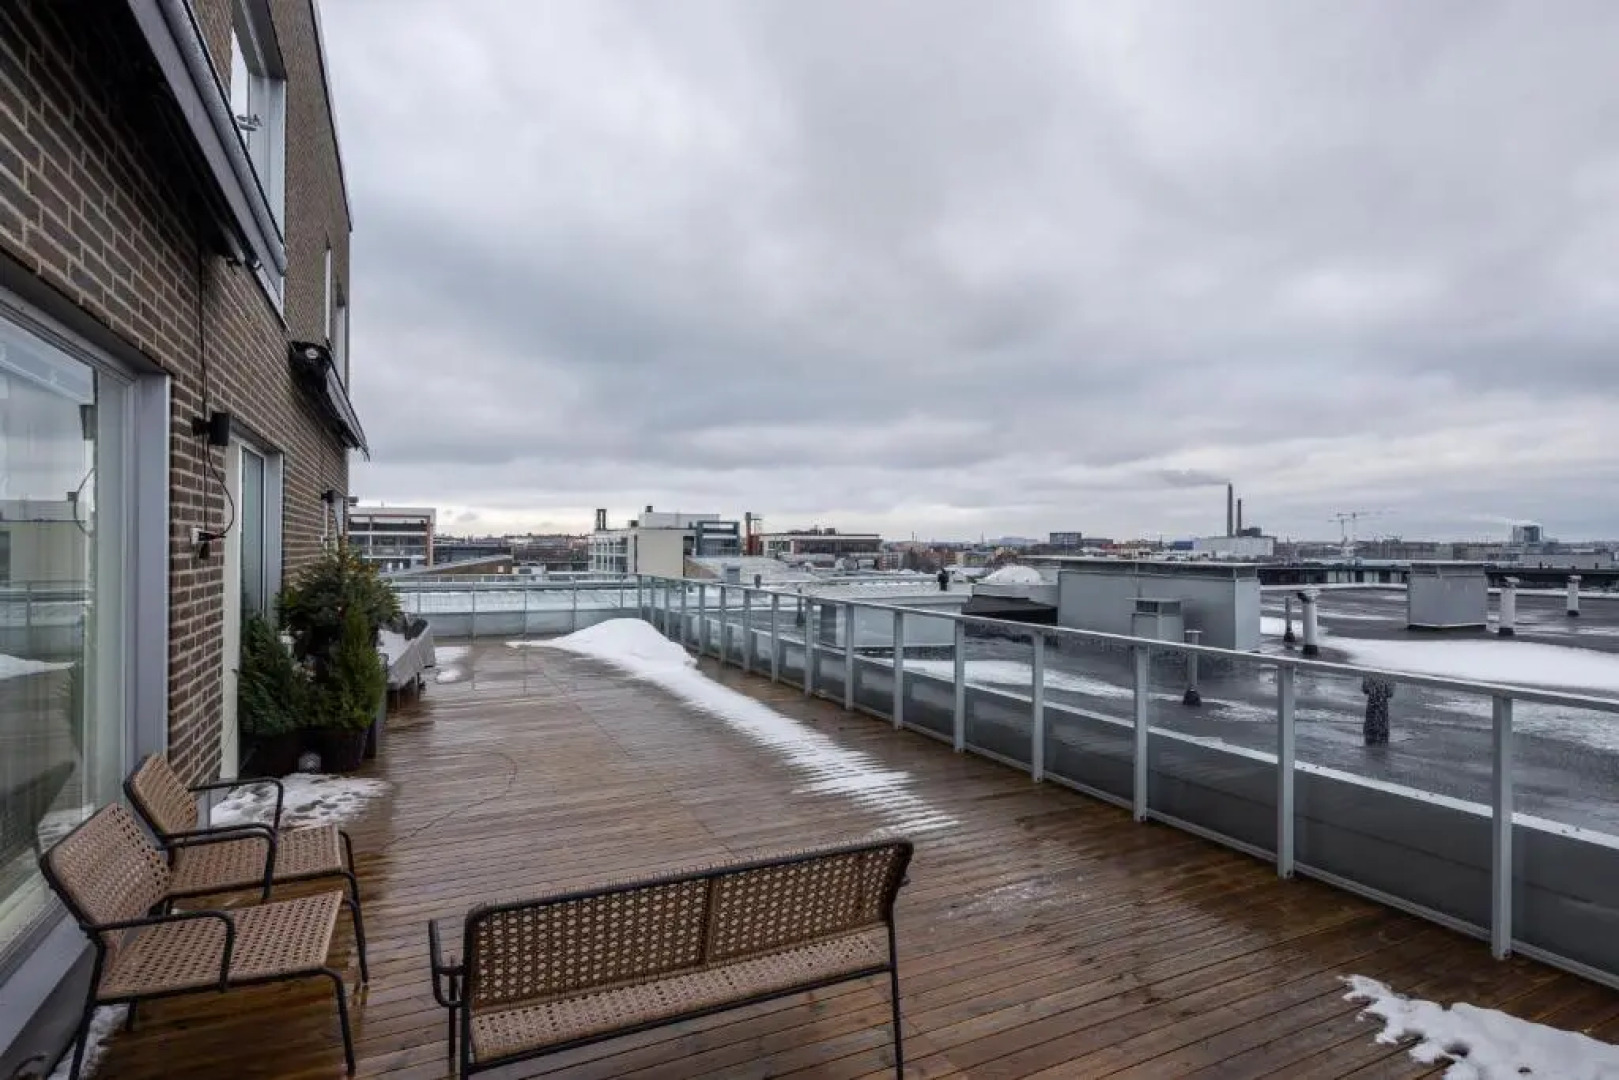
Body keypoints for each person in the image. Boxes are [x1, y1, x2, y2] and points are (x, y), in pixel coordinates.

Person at [1361, 676, 1394, 746]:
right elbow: (1390, 693)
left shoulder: (1369, 674)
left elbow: (1365, 689)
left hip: (1372, 704)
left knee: (1370, 729)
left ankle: (1370, 740)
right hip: (1382, 705)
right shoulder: (1389, 675)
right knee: (1382, 729)